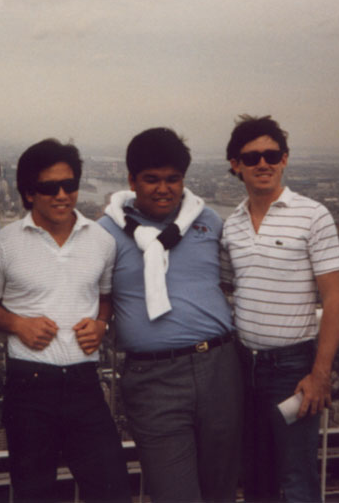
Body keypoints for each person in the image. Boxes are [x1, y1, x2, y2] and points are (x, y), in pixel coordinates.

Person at [0, 139, 131, 503]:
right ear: (29, 193)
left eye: (70, 185)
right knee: (34, 493)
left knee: (112, 489)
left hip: (85, 383)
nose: (62, 195)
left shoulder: (102, 241)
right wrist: (18, 324)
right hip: (29, 384)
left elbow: (105, 298)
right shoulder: (4, 243)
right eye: (49, 187)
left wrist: (102, 325)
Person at [99, 127, 242, 503]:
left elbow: (236, 279)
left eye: (173, 179)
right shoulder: (106, 233)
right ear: (131, 180)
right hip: (152, 378)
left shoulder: (208, 221)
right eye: (151, 179)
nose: (164, 189)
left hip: (220, 368)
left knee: (221, 489)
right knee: (173, 492)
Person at [221, 114, 339, 502]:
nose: (263, 163)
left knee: (296, 477)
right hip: (242, 367)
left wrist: (319, 373)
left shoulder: (313, 215)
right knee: (256, 476)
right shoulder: (232, 225)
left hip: (292, 368)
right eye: (252, 156)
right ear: (235, 165)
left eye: (272, 155)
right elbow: (226, 288)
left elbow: (335, 299)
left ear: (285, 159)